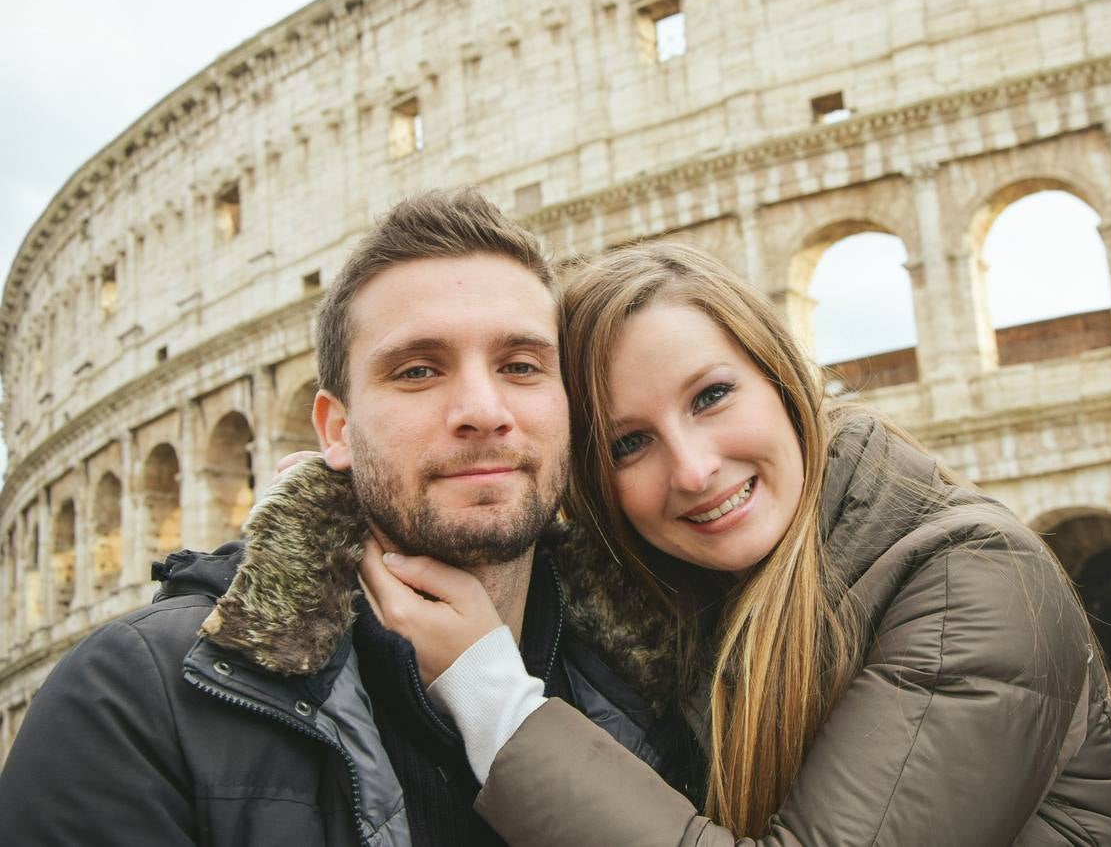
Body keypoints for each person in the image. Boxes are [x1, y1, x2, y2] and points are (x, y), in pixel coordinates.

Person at [360, 242, 1111, 845]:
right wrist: (360, 485)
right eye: (629, 444)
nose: (696, 469)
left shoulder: (973, 582)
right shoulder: (681, 600)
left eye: (712, 395)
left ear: (782, 378)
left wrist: (494, 701)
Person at [0, 190, 697, 846]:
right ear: (336, 429)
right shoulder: (133, 700)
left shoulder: (685, 673)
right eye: (418, 371)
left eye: (520, 366)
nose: (483, 410)